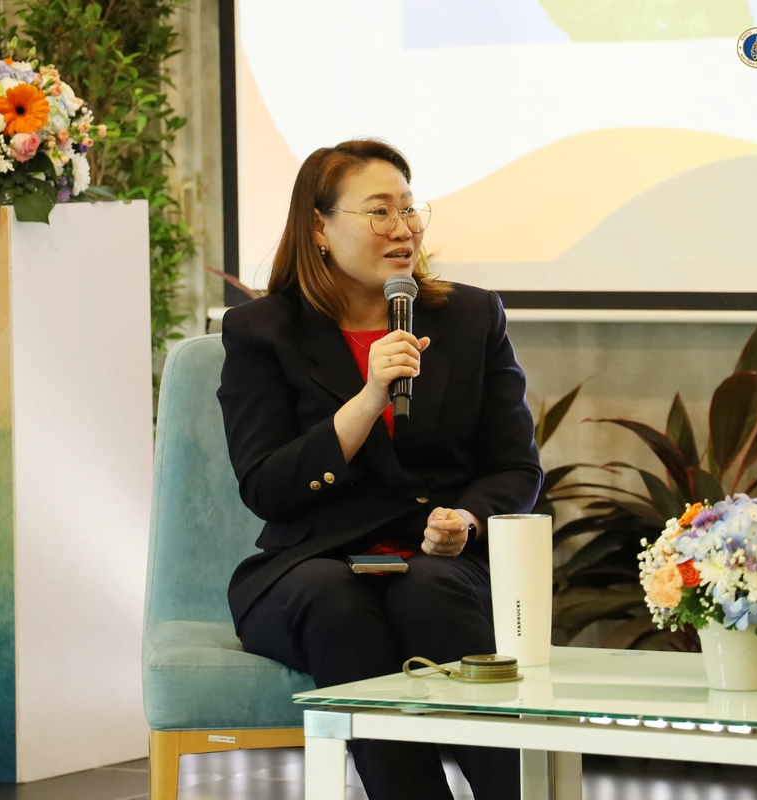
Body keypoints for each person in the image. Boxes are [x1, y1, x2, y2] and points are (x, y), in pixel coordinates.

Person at [217, 139, 542, 800]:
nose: (403, 228)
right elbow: (266, 485)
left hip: (438, 561)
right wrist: (368, 400)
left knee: (428, 589)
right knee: (334, 599)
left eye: (409, 208)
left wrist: (465, 518)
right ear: (319, 228)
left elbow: (514, 465)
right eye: (379, 211)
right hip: (309, 565)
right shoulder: (262, 331)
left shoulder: (471, 317)